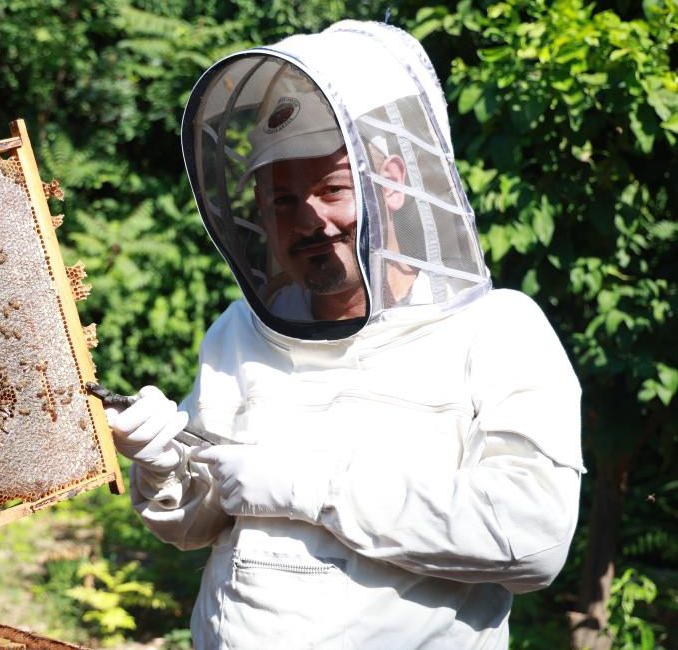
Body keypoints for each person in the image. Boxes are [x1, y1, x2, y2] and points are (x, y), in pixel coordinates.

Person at [106, 20, 583, 649]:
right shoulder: (236, 333)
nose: (310, 220)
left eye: (331, 189)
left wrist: (310, 487)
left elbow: (533, 539)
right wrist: (162, 464)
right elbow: (195, 526)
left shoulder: (498, 331)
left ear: (389, 182)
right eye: (281, 201)